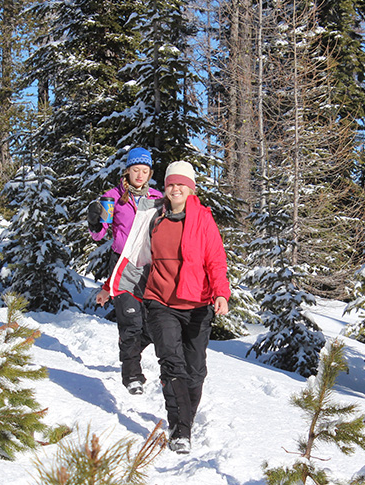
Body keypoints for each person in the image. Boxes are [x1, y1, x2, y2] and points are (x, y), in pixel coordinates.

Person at [97, 160, 230, 454]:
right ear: (166, 188)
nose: (176, 188)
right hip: (161, 302)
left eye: (181, 183)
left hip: (198, 305)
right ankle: (179, 429)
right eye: (171, 184)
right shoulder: (153, 218)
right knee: (172, 363)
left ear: (190, 188)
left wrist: (221, 293)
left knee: (195, 370)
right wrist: (110, 286)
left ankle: (186, 419)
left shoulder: (204, 219)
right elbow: (132, 257)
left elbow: (216, 261)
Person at [88, 147, 163, 395]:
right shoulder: (113, 196)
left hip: (150, 266)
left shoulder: (157, 197)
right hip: (122, 262)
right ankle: (132, 375)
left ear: (150, 172)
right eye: (135, 170)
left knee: (152, 326)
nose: (140, 175)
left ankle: (128, 348)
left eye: (144, 171)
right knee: (130, 321)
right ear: (127, 171)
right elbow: (99, 234)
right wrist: (94, 221)